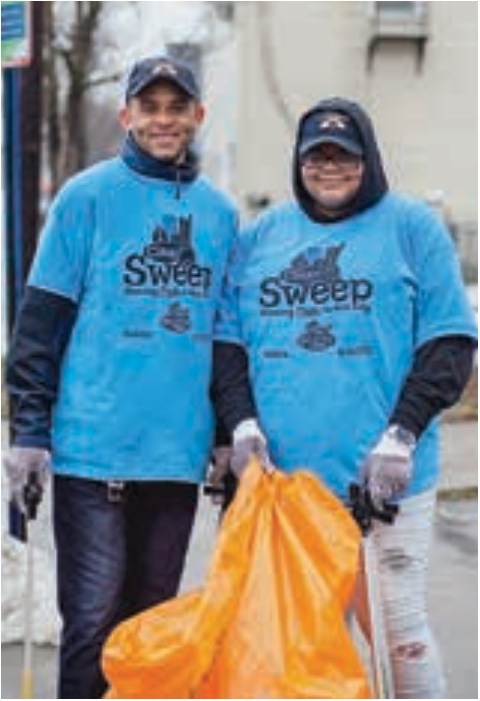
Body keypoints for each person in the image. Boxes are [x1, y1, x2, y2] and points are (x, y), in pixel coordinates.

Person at [211, 97, 477, 698]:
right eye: (316, 155)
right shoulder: (260, 239)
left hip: (386, 482)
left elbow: (451, 343)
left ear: (370, 159)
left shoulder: (412, 230)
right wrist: (241, 426)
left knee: (396, 632)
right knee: (306, 639)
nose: (329, 166)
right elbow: (226, 348)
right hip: (288, 486)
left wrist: (400, 434)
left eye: (344, 155)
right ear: (299, 162)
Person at [4, 55, 237, 699]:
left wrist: (224, 435)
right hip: (93, 448)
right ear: (127, 114)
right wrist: (29, 427)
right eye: (150, 107)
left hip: (175, 456)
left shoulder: (219, 215)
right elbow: (41, 318)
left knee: (151, 622)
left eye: (176, 108)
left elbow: (224, 338)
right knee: (92, 619)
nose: (164, 120)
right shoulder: (87, 197)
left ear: (197, 115)